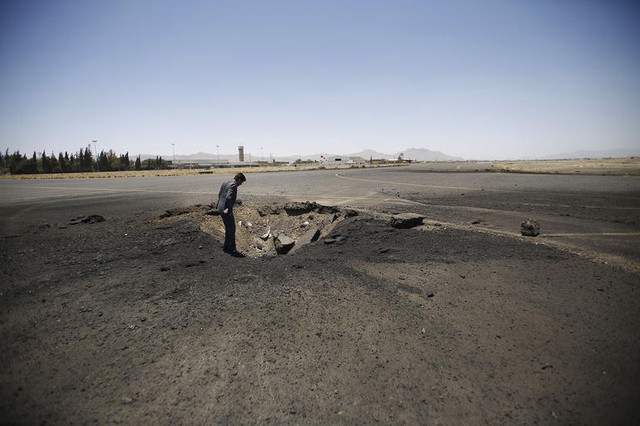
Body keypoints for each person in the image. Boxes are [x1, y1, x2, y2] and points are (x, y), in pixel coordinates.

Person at [217, 173, 246, 257]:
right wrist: (229, 210)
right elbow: (229, 198)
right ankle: (232, 248)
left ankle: (226, 247)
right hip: (226, 210)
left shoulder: (225, 183)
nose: (241, 184)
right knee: (232, 229)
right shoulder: (233, 185)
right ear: (239, 180)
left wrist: (220, 206)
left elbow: (219, 194)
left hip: (220, 208)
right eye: (241, 182)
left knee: (228, 228)